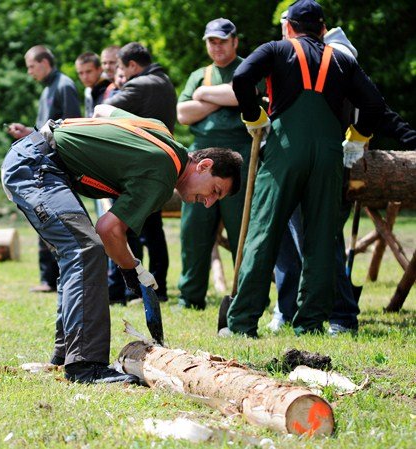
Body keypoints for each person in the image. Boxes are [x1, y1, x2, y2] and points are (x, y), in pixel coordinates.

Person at [1, 104, 242, 383]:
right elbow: (109, 229)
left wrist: (99, 148)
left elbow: (103, 110)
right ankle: (86, 367)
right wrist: (133, 269)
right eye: (214, 190)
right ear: (204, 165)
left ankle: (65, 352)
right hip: (37, 167)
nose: (209, 202)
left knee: (78, 251)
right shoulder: (163, 175)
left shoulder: (160, 132)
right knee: (84, 250)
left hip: (39, 157)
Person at [225, 0, 386, 337]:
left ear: (289, 27)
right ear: (323, 29)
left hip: (286, 150)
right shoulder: (344, 58)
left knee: (264, 232)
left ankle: (241, 323)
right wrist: (355, 140)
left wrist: (254, 117)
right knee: (322, 239)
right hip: (329, 154)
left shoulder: (275, 48)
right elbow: (374, 103)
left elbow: (241, 77)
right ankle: (310, 323)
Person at [269, 22, 416, 335]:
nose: (285, 36)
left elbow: (376, 108)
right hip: (294, 161)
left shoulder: (336, 57)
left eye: (287, 30)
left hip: (326, 165)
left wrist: (360, 140)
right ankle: (289, 308)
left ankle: (342, 315)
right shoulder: (292, 58)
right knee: (291, 242)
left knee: (321, 241)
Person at [176, 18, 262, 310]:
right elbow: (184, 114)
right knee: (194, 231)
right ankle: (190, 297)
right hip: (199, 160)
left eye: (222, 41)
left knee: (243, 232)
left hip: (240, 158)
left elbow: (249, 94)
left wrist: (203, 97)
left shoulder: (250, 66)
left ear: (235, 41)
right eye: (211, 41)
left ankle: (245, 295)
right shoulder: (200, 74)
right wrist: (223, 98)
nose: (217, 46)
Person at [104, 41, 178, 303]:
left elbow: (102, 112)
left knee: (129, 229)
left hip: (135, 172)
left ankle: (133, 290)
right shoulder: (164, 82)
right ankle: (159, 289)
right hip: (158, 170)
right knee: (153, 232)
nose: (122, 74)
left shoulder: (140, 85)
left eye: (123, 69)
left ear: (133, 66)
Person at [6, 45, 81, 293]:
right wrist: (28, 133)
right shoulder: (48, 88)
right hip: (42, 163)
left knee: (58, 219)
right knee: (42, 215)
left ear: (45, 63)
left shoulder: (65, 85)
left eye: (31, 66)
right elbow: (46, 129)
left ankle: (58, 278)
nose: (29, 72)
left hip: (58, 167)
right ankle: (47, 279)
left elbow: (71, 127)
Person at [75, 52, 110, 118]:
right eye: (80, 73)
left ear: (100, 70)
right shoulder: (88, 90)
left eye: (89, 71)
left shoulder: (110, 88)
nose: (85, 77)